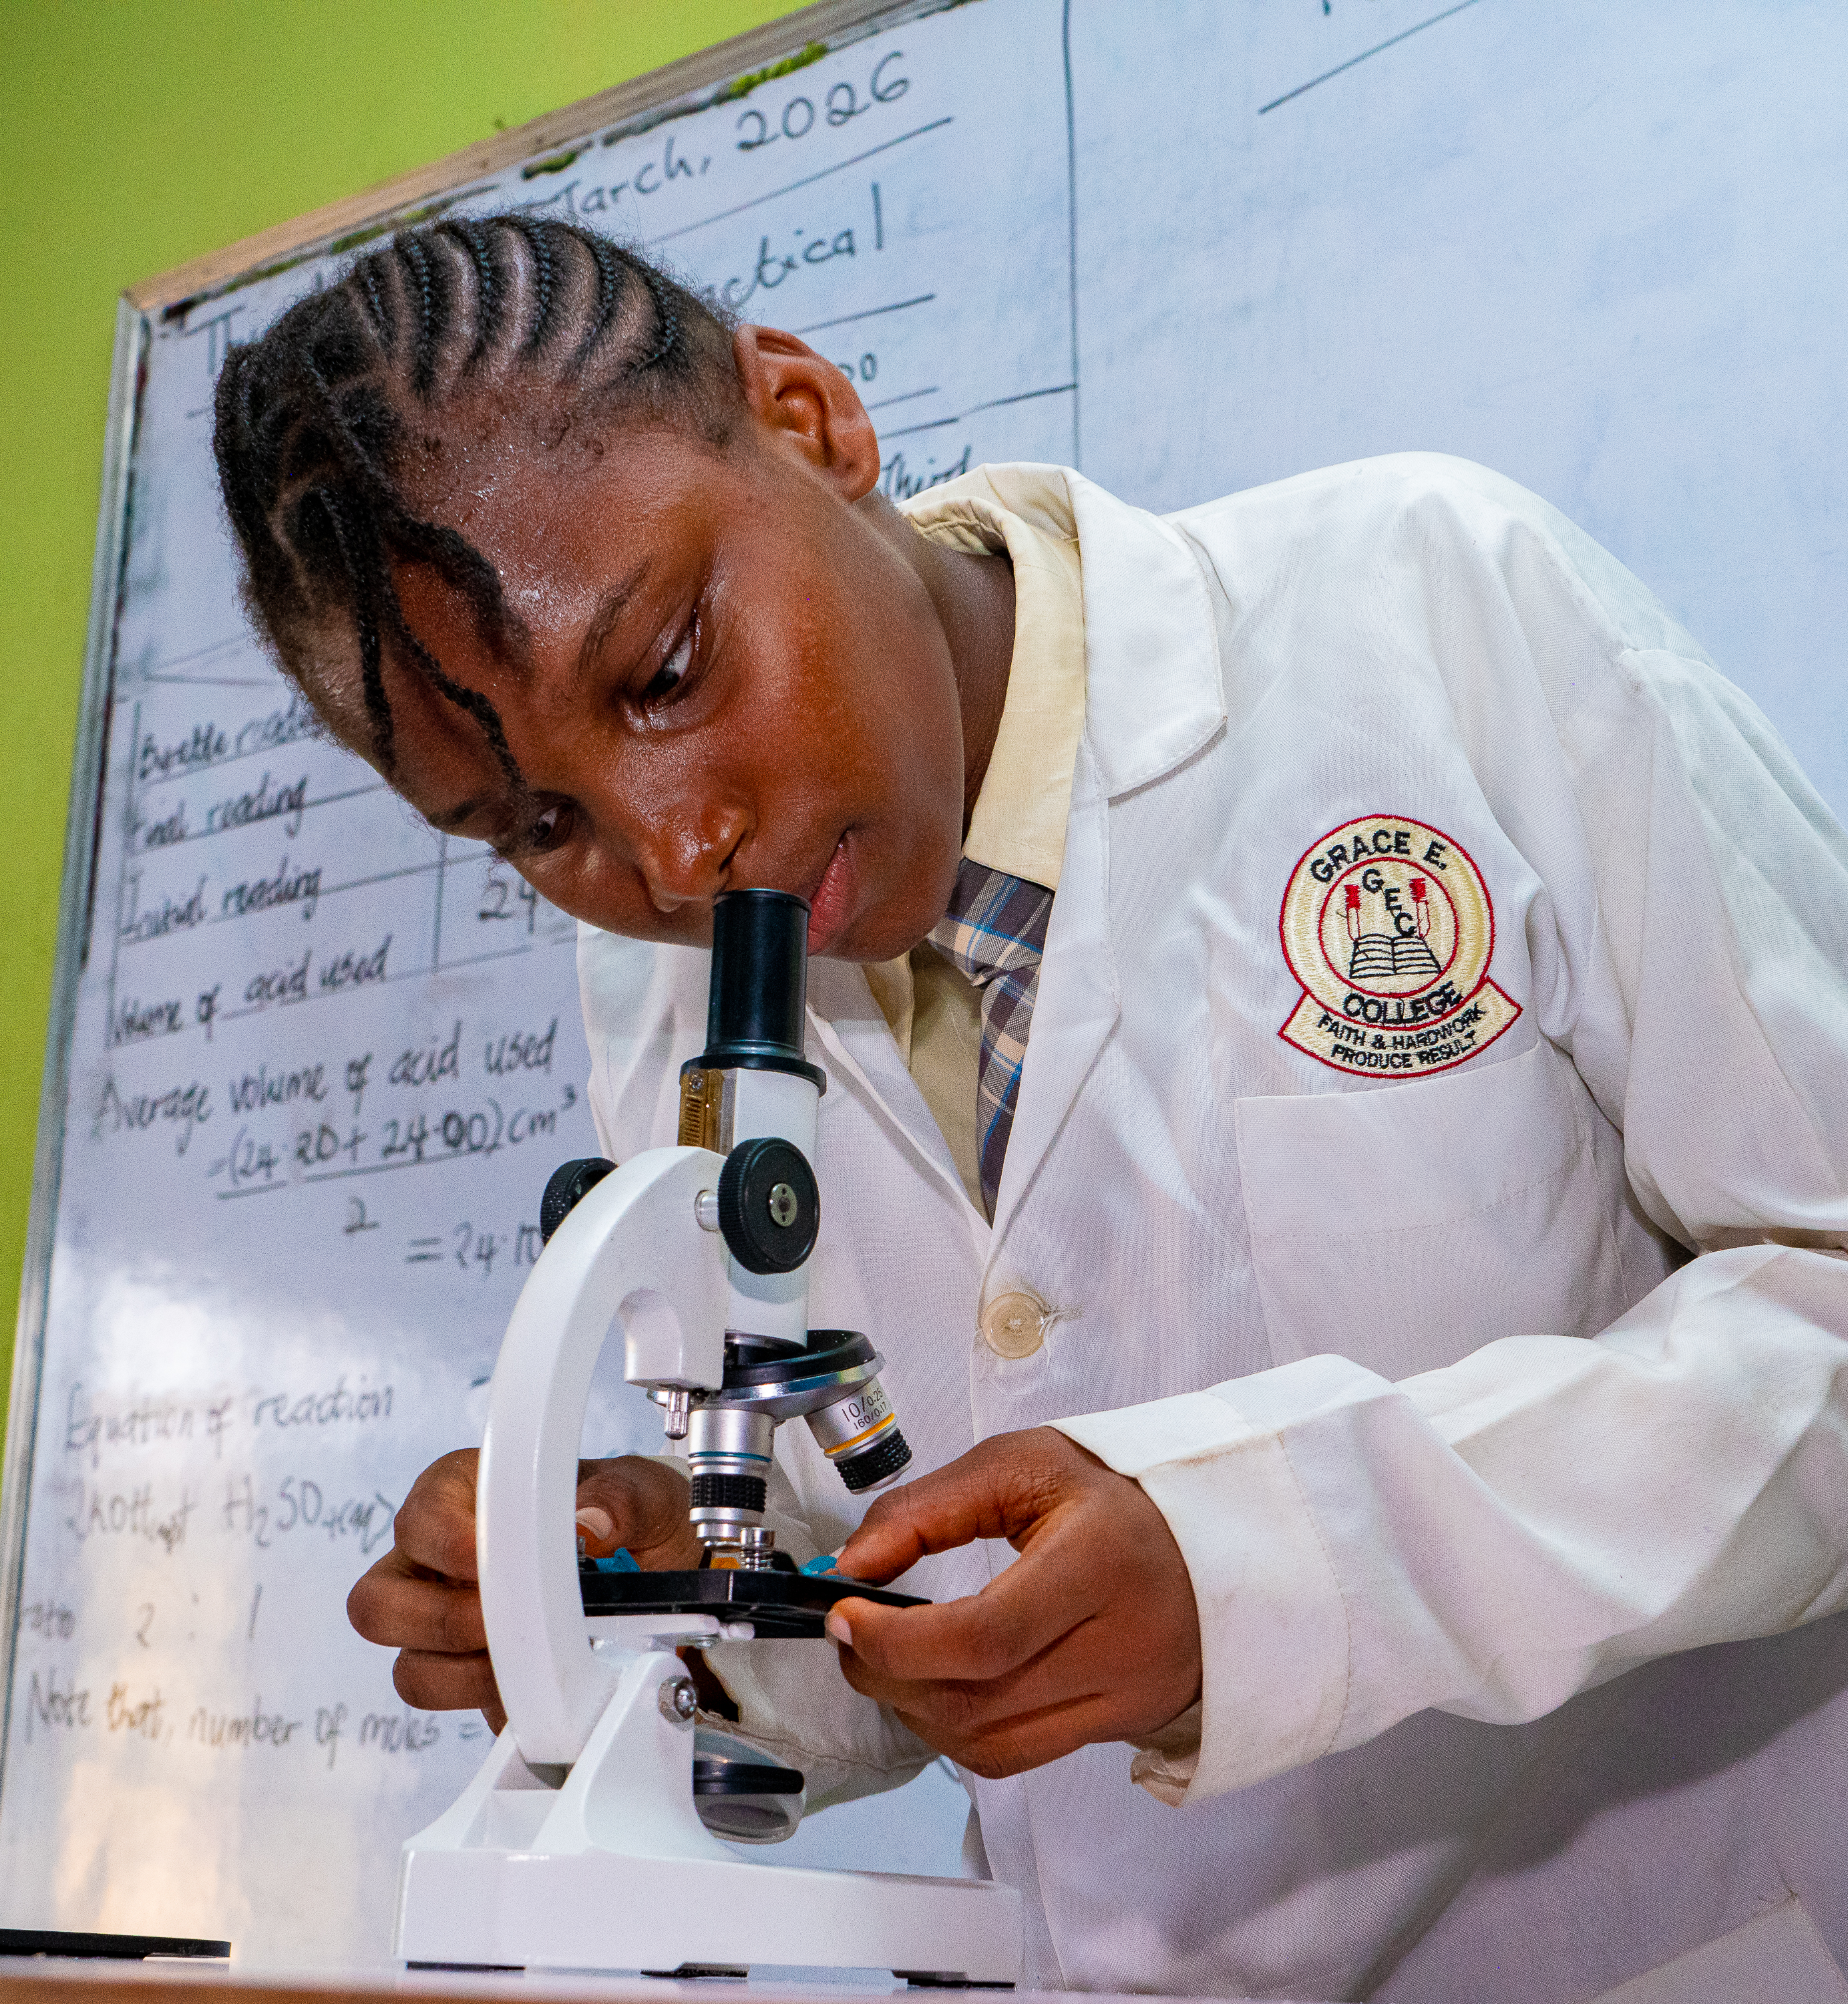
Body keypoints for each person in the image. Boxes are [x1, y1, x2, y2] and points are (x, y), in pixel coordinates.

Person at [214, 214, 1848, 2003]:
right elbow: (889, 1597)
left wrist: (1265, 1564)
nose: (675, 852)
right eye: (537, 827)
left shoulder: (1432, 613)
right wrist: (678, 1600)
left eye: (669, 667)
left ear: (809, 414)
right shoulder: (658, 993)